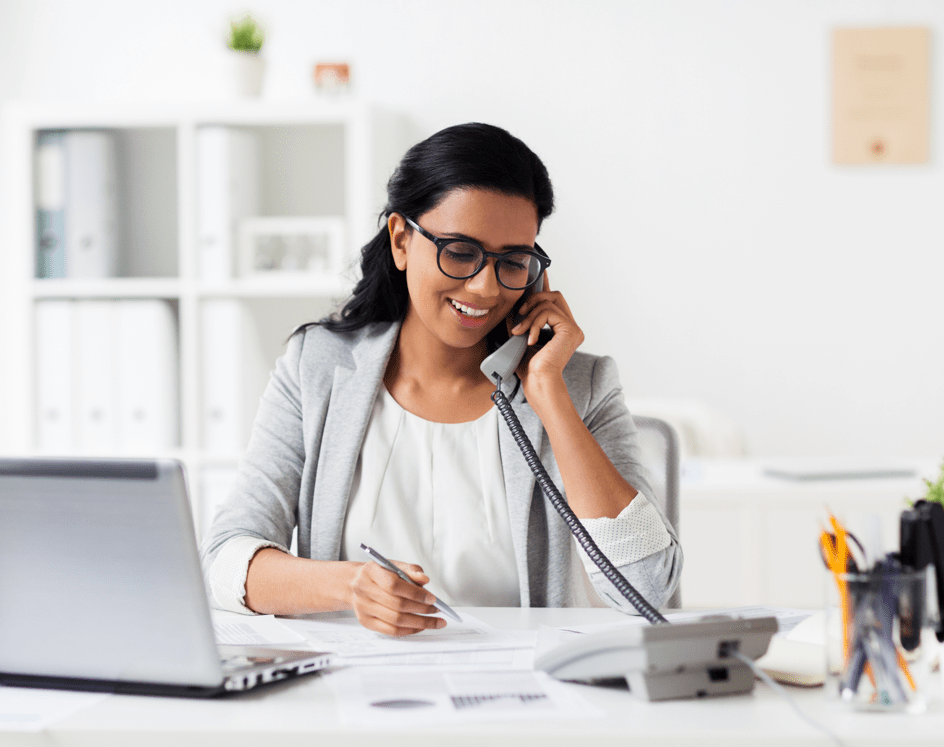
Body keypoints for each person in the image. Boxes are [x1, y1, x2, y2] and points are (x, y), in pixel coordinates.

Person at [200, 123, 681, 636]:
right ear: (401, 240)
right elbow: (226, 561)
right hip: (357, 695)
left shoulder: (578, 383)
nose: (484, 286)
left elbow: (650, 586)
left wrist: (549, 396)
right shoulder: (317, 369)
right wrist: (350, 586)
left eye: (513, 261)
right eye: (459, 251)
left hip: (526, 694)